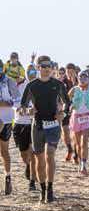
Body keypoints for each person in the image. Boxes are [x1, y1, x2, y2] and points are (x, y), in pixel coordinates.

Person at [20, 55, 69, 203]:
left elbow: (68, 103)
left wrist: (63, 113)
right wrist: (28, 111)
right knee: (40, 159)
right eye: (44, 66)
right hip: (38, 125)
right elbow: (22, 107)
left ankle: (50, 189)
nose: (47, 69)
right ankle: (42, 190)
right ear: (38, 67)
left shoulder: (58, 84)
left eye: (49, 66)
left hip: (53, 125)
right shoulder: (31, 85)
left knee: (50, 154)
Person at [13, 64, 38, 191]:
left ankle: (32, 182)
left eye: (33, 71)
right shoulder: (19, 85)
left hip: (34, 123)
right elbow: (14, 102)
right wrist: (21, 109)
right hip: (19, 123)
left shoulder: (40, 85)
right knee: (24, 154)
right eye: (29, 71)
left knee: (32, 152)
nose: (31, 73)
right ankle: (28, 165)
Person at [69, 70, 89, 175]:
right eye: (80, 77)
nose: (82, 80)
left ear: (88, 79)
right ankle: (80, 162)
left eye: (85, 77)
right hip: (76, 118)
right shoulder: (74, 89)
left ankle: (84, 165)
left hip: (87, 117)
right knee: (78, 144)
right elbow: (65, 99)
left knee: (84, 142)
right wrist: (69, 106)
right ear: (78, 79)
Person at [0, 60, 19, 195]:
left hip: (6, 120)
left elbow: (18, 99)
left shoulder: (9, 81)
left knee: (4, 151)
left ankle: (8, 177)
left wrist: (8, 103)